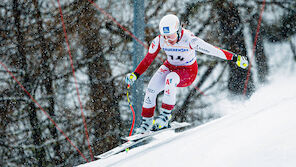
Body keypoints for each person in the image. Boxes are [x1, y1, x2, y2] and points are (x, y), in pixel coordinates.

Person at [125, 14, 248, 134]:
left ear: (178, 30)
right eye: (165, 36)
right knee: (151, 89)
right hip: (170, 66)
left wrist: (235, 58)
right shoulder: (159, 40)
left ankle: (164, 117)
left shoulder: (190, 40)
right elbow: (148, 59)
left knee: (170, 79)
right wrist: (135, 75)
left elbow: (212, 50)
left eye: (171, 36)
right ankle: (146, 124)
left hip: (188, 72)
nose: (168, 40)